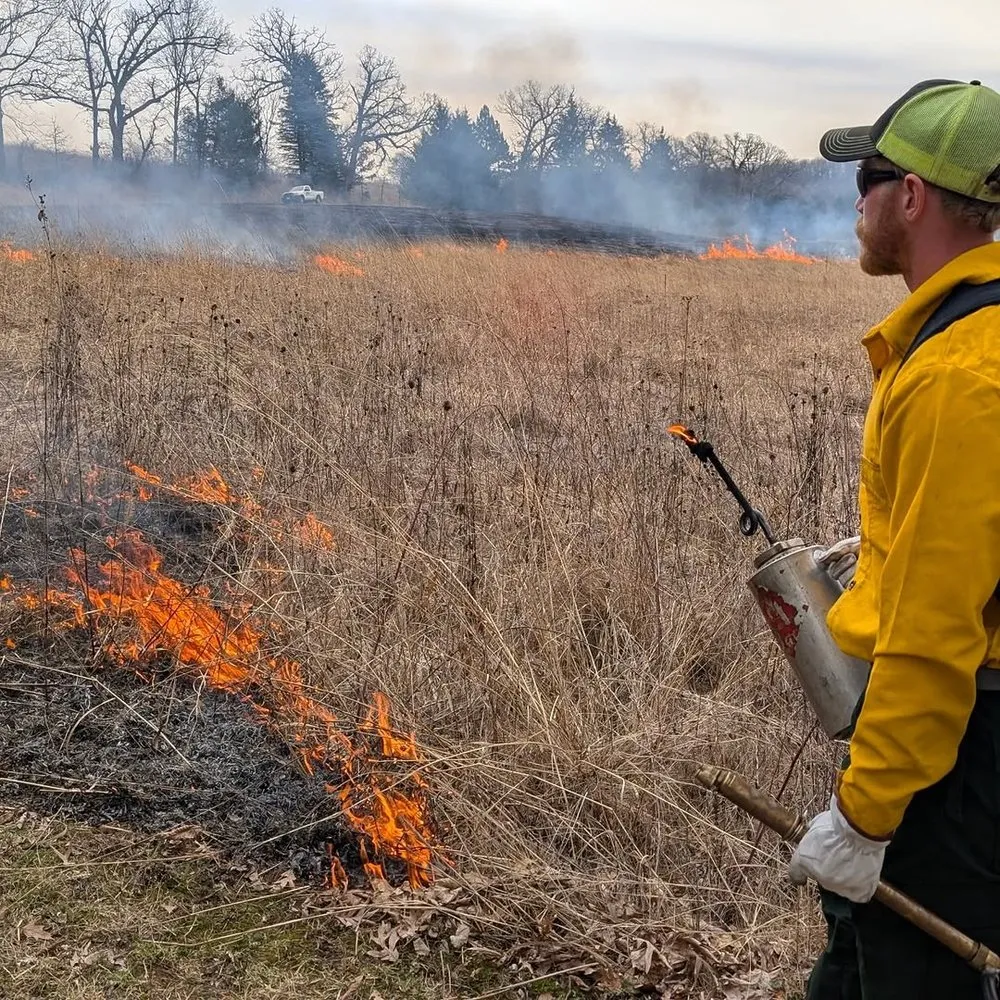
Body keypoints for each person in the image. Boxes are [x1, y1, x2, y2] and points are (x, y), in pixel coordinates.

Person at [786, 79, 1000, 998]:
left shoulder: (958, 374)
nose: (857, 204)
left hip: (956, 769)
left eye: (865, 180)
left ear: (911, 196)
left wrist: (867, 816)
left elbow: (932, 636)